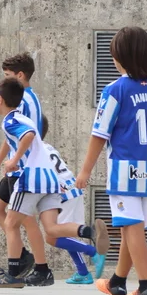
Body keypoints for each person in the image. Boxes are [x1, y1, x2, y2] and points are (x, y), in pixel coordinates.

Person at [76, 26, 147, 295]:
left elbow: (99, 134)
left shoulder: (115, 90)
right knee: (131, 225)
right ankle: (118, 282)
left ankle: (146, 287)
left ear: (119, 57)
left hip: (124, 168)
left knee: (131, 225)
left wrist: (84, 171)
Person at [0, 78, 107, 289]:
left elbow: (28, 135)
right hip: (50, 181)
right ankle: (88, 232)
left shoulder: (10, 120)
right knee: (52, 228)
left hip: (31, 179)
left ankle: (13, 274)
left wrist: (14, 161)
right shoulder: (27, 119)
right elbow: (31, 134)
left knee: (11, 224)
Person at [0, 53, 44, 280]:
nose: (5, 80)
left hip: (22, 169)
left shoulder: (23, 101)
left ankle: (33, 265)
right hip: (18, 166)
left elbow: (25, 134)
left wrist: (11, 160)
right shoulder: (28, 98)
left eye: (8, 75)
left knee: (23, 219)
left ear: (20, 76)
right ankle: (23, 257)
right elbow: (12, 136)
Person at [39, 115, 106, 285]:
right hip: (73, 188)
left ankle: (93, 251)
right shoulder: (48, 147)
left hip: (62, 194)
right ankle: (83, 272)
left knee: (51, 237)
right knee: (66, 235)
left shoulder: (34, 150)